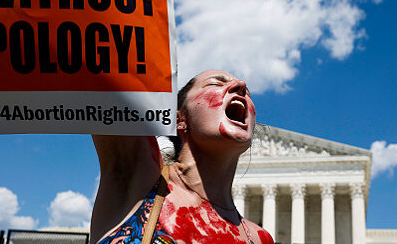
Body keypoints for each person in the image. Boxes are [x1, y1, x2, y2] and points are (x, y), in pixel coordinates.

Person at [91, 70, 275, 244]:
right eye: (215, 83)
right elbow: (104, 74)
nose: (241, 85)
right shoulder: (138, 176)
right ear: (179, 120)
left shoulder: (259, 238)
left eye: (248, 93)